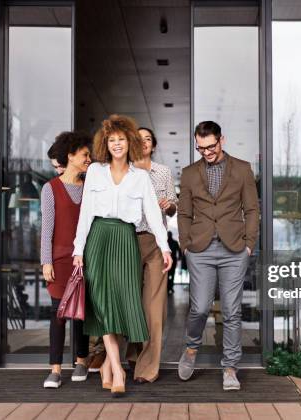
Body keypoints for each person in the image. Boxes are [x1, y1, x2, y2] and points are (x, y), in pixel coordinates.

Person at [72, 114, 173, 397]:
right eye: (111, 140)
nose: (117, 144)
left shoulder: (140, 177)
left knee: (120, 303)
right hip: (98, 239)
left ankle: (107, 366)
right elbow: (85, 213)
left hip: (126, 240)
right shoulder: (95, 172)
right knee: (103, 303)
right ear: (105, 144)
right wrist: (78, 249)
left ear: (130, 143)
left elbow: (153, 215)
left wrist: (164, 247)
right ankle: (117, 368)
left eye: (121, 139)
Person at [177, 121, 259, 391]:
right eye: (201, 148)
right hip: (199, 248)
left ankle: (230, 368)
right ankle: (191, 348)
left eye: (211, 146)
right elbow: (185, 213)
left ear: (222, 140)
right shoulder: (189, 173)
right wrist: (185, 245)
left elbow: (251, 209)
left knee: (232, 311)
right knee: (199, 308)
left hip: (234, 248)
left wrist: (249, 244)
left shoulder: (243, 169)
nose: (207, 152)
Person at [125, 127, 178, 384]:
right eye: (139, 139)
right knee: (130, 303)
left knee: (155, 308)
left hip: (157, 244)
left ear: (153, 145)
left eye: (148, 139)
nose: (143, 143)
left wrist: (170, 206)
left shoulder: (164, 172)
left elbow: (173, 207)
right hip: (126, 243)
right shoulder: (124, 170)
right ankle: (134, 353)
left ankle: (148, 368)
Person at [41, 131, 92, 389]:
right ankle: (55, 369)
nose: (88, 159)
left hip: (86, 259)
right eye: (84, 155)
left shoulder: (91, 187)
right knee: (58, 313)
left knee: (82, 313)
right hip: (59, 260)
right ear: (70, 156)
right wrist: (45, 261)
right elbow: (46, 228)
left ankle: (82, 360)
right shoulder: (50, 188)